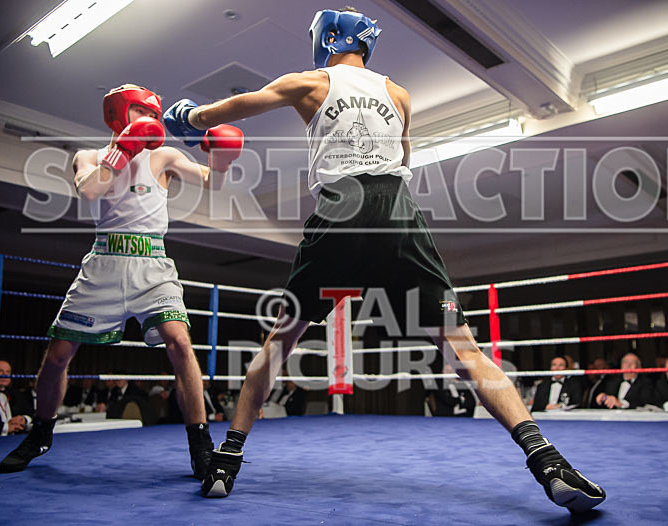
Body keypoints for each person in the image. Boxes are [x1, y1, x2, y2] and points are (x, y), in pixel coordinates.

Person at [164, 8, 605, 511]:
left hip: (339, 214)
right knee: (463, 348)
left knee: (280, 341)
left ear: (329, 38)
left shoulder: (309, 81)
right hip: (398, 215)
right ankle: (548, 461)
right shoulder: (399, 94)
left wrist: (189, 118)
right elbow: (404, 160)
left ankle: (227, 460)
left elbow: (234, 108)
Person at [0, 84, 244, 477]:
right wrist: (122, 150)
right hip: (104, 263)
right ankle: (40, 433)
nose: (149, 121)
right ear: (117, 114)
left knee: (181, 343)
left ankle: (200, 446)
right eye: (140, 112)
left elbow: (210, 182)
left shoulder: (163, 156)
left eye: (153, 115)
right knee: (57, 355)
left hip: (152, 263)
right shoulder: (88, 156)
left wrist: (222, 159)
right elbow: (90, 190)